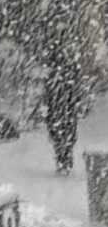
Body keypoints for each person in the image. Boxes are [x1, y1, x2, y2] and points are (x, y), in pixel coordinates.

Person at [45, 35, 86, 183]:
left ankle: (63, 156)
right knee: (65, 131)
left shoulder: (56, 72)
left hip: (61, 105)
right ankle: (65, 156)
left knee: (61, 131)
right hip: (65, 105)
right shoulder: (68, 70)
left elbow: (50, 91)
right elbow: (75, 86)